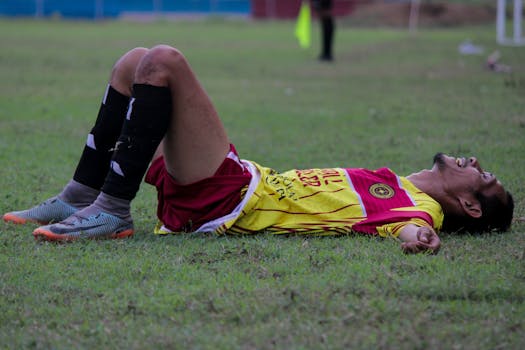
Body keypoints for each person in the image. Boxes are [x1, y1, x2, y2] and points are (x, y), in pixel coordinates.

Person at [2, 45, 514, 254]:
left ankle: (112, 211)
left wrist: (420, 237)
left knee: (162, 62)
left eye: (483, 178)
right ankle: (78, 196)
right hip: (231, 187)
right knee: (131, 63)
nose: (476, 164)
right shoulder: (395, 179)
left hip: (230, 198)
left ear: (469, 205)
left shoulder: (419, 207)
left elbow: (409, 228)